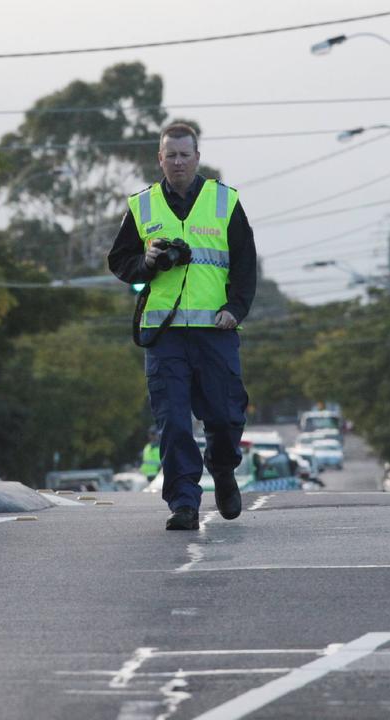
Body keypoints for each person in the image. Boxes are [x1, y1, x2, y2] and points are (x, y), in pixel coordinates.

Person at [107, 122, 256, 531]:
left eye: (184, 155)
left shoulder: (224, 202)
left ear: (197, 158)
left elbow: (245, 265)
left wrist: (235, 309)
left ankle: (223, 472)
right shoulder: (142, 206)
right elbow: (121, 264)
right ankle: (184, 502)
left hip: (216, 332)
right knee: (173, 422)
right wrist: (147, 265)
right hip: (165, 335)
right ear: (160, 158)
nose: (177, 162)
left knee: (225, 421)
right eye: (169, 155)